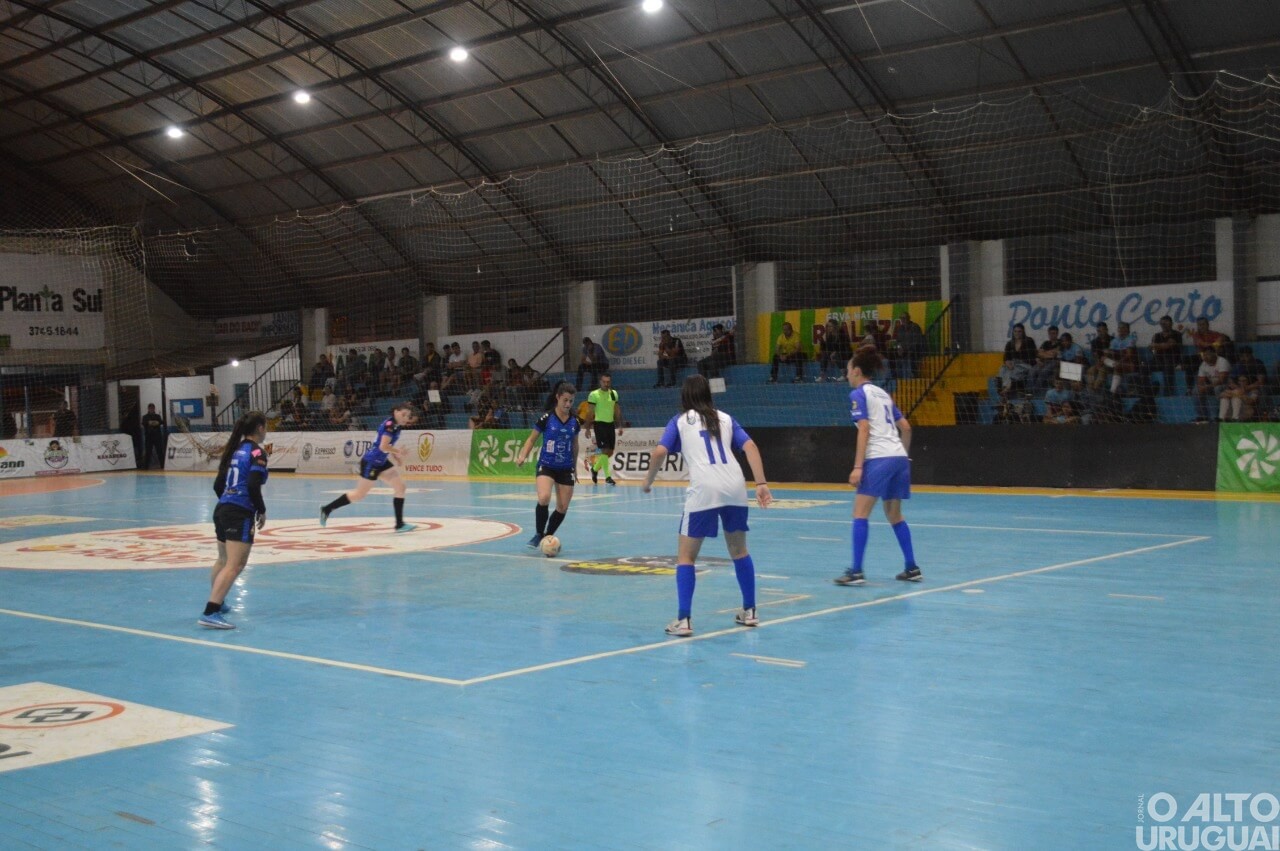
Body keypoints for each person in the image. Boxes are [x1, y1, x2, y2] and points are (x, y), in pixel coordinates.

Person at [642, 374, 773, 637]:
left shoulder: (680, 421)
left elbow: (659, 452)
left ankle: (684, 620)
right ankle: (750, 611)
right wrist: (761, 483)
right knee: (739, 550)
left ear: (685, 395)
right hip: (735, 487)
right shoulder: (725, 418)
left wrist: (648, 480)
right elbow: (750, 446)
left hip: (704, 490)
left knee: (686, 557)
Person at [834, 349, 922, 586]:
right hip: (898, 458)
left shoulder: (858, 393)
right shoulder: (883, 394)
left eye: (848, 369)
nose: (847, 374)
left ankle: (856, 572)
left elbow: (864, 429)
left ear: (857, 371)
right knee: (895, 515)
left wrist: (858, 466)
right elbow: (906, 428)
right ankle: (912, 567)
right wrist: (903, 455)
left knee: (860, 514)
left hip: (879, 458)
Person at [199, 411, 269, 629]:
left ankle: (219, 602)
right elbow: (252, 485)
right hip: (239, 512)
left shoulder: (234, 450)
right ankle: (211, 611)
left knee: (222, 560)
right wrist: (261, 510)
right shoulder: (257, 452)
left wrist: (228, 502)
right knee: (235, 564)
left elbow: (218, 485)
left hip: (222, 509)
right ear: (260, 428)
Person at [319, 403, 417, 531]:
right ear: (396, 412)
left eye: (407, 416)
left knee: (400, 487)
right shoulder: (390, 426)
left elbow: (386, 446)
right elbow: (383, 446)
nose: (405, 418)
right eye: (403, 414)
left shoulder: (396, 426)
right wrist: (398, 452)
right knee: (359, 494)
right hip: (371, 463)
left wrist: (396, 456)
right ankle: (327, 509)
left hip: (381, 461)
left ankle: (399, 524)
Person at [515, 382, 580, 548]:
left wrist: (575, 467)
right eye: (565, 400)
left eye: (571, 401)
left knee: (562, 507)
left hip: (566, 467)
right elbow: (531, 439)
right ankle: (538, 534)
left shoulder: (575, 422)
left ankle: (548, 537)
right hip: (547, 465)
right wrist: (523, 455)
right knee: (544, 497)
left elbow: (575, 445)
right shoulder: (546, 418)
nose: (567, 404)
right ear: (557, 397)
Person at [585, 373, 623, 485]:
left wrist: (620, 425)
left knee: (610, 452)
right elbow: (590, 412)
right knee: (605, 450)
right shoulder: (594, 395)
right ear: (600, 382)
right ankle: (608, 478)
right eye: (604, 382)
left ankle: (595, 469)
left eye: (608, 382)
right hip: (599, 424)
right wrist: (587, 428)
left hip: (610, 424)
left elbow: (616, 410)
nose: (606, 384)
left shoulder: (613, 394)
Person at [141, 403, 166, 470]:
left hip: (157, 437)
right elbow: (144, 423)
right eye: (150, 408)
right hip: (149, 437)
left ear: (154, 409)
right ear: (148, 409)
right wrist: (154, 423)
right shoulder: (145, 417)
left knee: (160, 451)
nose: (152, 409)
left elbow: (161, 422)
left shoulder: (158, 416)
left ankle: (163, 466)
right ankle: (146, 467)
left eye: (153, 408)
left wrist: (151, 423)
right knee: (148, 452)